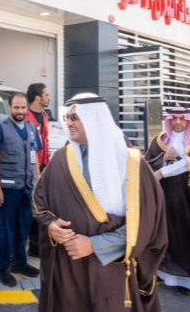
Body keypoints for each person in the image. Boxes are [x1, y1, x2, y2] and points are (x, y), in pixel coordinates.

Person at [33, 93, 167, 312]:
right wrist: (51, 226)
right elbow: (39, 201)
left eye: (75, 117)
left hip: (110, 269)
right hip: (69, 267)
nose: (69, 123)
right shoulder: (60, 159)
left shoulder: (131, 163)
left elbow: (148, 222)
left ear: (94, 119)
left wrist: (95, 244)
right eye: (67, 118)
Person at [145, 106, 190, 295]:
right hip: (164, 194)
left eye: (181, 118)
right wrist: (163, 157)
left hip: (187, 196)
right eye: (173, 118)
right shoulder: (160, 140)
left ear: (188, 120)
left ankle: (187, 280)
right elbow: (147, 162)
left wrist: (162, 171)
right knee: (164, 231)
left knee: (186, 233)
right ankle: (164, 273)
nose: (177, 122)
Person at [0, 92, 41, 287]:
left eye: (23, 107)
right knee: (4, 230)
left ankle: (19, 262)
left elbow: (35, 159)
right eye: (16, 107)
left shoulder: (31, 128)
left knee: (23, 228)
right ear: (9, 107)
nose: (20, 111)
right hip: (8, 189)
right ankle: (0, 267)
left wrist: (37, 184)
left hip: (27, 188)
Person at [25, 82, 51, 258]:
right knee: (32, 206)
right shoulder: (26, 117)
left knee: (41, 205)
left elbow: (45, 141)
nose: (49, 97)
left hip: (43, 165)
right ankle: (33, 245)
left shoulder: (44, 115)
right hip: (31, 167)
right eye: (46, 95)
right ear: (37, 98)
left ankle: (38, 244)